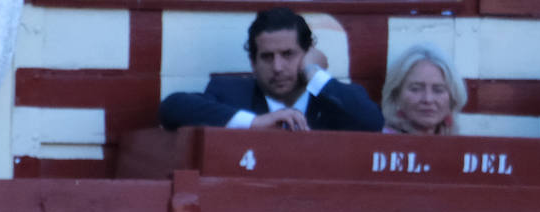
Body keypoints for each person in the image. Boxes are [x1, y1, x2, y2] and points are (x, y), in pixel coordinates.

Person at [159, 6, 382, 133]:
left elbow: (373, 122)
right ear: (252, 62)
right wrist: (254, 123)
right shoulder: (231, 93)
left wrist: (314, 73)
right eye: (267, 57)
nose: (277, 67)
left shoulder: (332, 97)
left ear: (308, 53)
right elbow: (172, 108)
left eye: (288, 54)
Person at [381, 43, 466, 136]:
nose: (428, 99)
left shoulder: (460, 143)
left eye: (438, 90)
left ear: (452, 99)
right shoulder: (380, 141)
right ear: (396, 95)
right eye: (416, 89)